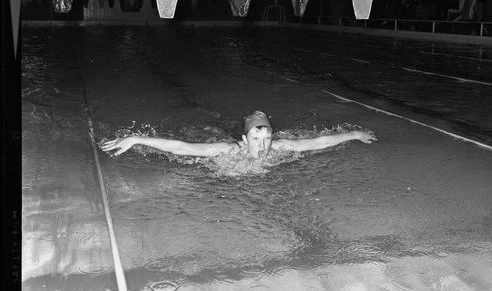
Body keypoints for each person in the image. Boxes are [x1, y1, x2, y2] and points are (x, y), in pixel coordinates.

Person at [100, 111, 376, 161]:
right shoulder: (229, 152)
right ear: (245, 141)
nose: (263, 146)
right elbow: (182, 148)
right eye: (257, 140)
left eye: (266, 139)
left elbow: (316, 142)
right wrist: (136, 139)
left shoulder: (278, 148)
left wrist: (353, 134)